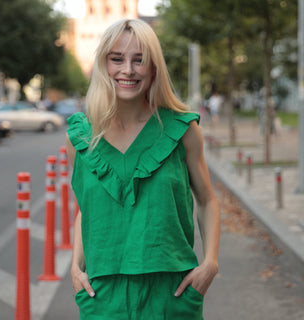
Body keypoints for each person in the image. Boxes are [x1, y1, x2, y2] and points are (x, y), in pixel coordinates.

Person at [66, 19, 220, 320]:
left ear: (153, 68)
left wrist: (211, 263)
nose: (128, 69)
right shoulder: (81, 138)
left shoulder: (181, 129)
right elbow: (86, 208)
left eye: (140, 60)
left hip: (171, 294)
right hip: (102, 296)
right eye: (117, 59)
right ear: (103, 64)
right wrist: (75, 266)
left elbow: (207, 200)